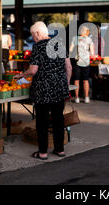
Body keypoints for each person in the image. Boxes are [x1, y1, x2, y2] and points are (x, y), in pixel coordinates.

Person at [16, 21, 72, 160]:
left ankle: (42, 153)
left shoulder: (38, 46)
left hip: (43, 90)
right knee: (58, 119)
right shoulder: (59, 43)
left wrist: (23, 74)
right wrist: (66, 83)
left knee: (42, 121)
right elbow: (69, 67)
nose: (33, 38)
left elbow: (33, 70)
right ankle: (59, 150)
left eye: (33, 35)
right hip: (60, 89)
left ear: (37, 33)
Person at [69, 26, 95, 104]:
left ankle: (77, 98)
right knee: (85, 80)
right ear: (87, 32)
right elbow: (92, 53)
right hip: (86, 62)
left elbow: (70, 50)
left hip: (77, 61)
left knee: (76, 80)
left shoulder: (75, 38)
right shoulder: (89, 39)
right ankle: (86, 97)